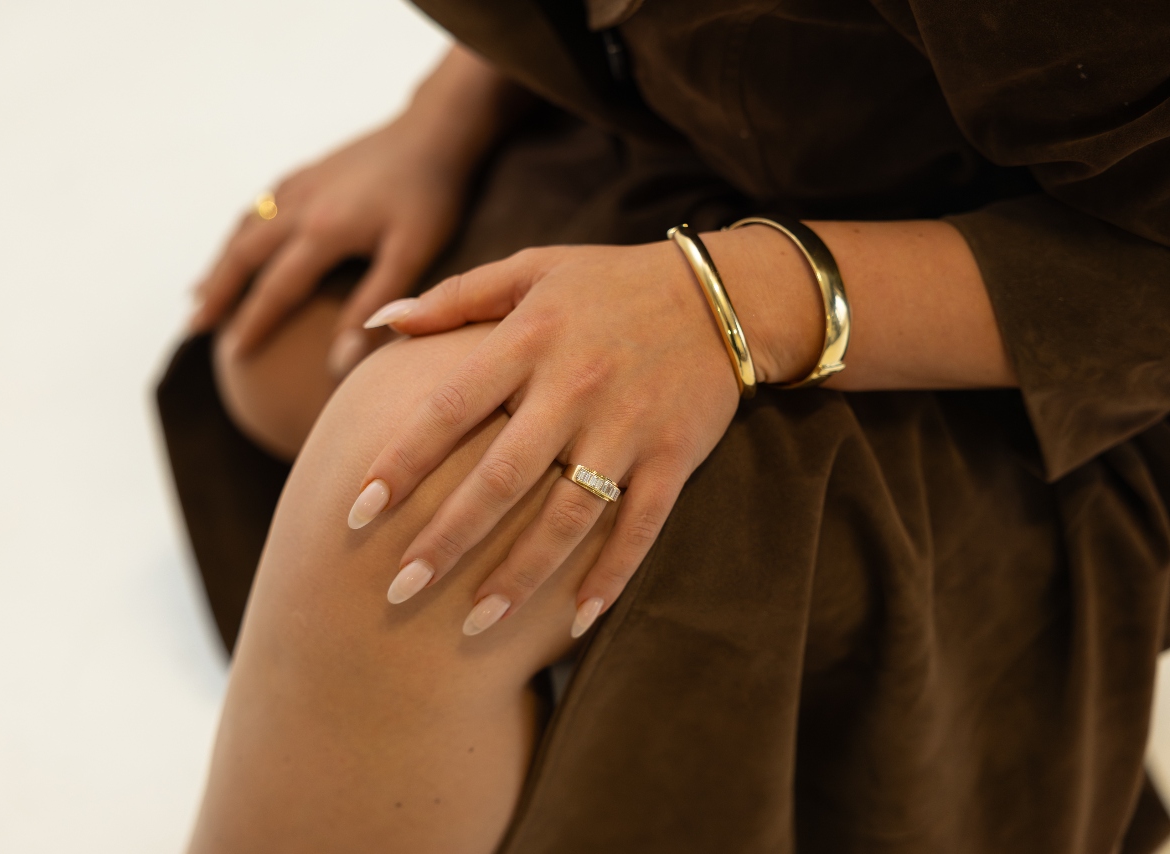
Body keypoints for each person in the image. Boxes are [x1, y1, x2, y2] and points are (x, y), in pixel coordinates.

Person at [155, 1, 1170, 851]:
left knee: (414, 497)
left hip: (1058, 372)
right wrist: (437, 117)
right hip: (754, 147)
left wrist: (739, 307)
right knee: (289, 343)